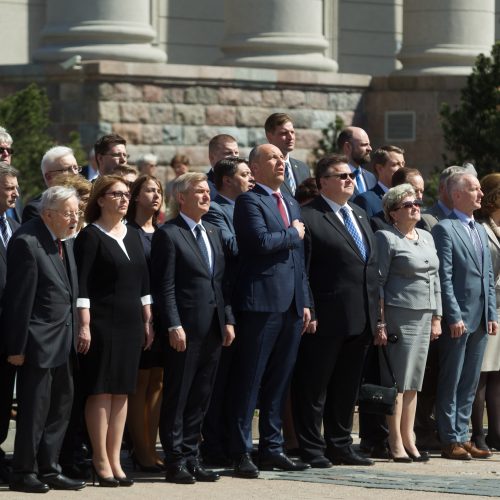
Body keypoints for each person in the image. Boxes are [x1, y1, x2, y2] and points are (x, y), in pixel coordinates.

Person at [229, 144, 311, 478]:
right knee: (250, 380)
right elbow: (259, 243)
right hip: (262, 303)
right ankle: (240, 450)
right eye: (272, 159)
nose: (280, 163)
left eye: (282, 158)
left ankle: (272, 448)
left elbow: (299, 261)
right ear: (255, 167)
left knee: (279, 380)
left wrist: (305, 301)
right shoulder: (249, 200)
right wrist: (292, 233)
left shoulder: (289, 200)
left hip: (291, 304)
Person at [293, 154, 378, 468]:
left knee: (346, 388)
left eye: (351, 176)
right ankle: (312, 448)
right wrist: (309, 307)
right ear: (321, 182)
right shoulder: (308, 216)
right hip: (325, 317)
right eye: (341, 176)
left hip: (361, 316)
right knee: (314, 387)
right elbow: (302, 269)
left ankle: (340, 444)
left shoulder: (357, 213)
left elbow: (368, 265)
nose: (349, 181)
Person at [151, 172, 235, 484]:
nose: (205, 196)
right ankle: (174, 460)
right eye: (198, 192)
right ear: (181, 198)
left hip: (213, 328)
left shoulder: (212, 232)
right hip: (184, 330)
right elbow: (166, 287)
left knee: (201, 395)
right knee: (179, 395)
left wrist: (228, 320)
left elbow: (220, 282)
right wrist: (173, 324)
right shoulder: (169, 234)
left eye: (207, 191)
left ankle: (191, 456)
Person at [1, 186, 85, 493]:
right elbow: (19, 300)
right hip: (37, 343)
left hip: (63, 340)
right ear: (48, 214)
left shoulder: (64, 241)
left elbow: (68, 293)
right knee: (34, 411)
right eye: (69, 213)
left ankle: (49, 468)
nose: (75, 218)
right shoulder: (27, 241)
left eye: (77, 212)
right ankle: (24, 471)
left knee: (60, 408)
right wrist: (17, 348)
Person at [74, 175, 153, 487]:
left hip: (132, 322)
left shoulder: (132, 234)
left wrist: (148, 319)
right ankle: (100, 459)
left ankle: (115, 457)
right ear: (101, 199)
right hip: (101, 323)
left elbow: (144, 283)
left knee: (122, 391)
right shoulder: (90, 236)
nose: (123, 199)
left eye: (126, 194)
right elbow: (82, 285)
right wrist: (84, 324)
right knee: (100, 389)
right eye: (116, 194)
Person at [432, 171, 497, 460]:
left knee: (470, 380)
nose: (481, 194)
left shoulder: (481, 229)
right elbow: (444, 277)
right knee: (452, 378)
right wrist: (453, 315)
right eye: (474, 189)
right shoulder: (445, 229)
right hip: (457, 320)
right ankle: (449, 438)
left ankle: (463, 435)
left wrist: (492, 313)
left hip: (481, 318)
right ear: (457, 194)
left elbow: (486, 277)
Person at [375, 184, 442, 462]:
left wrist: (437, 316)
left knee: (415, 381)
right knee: (399, 383)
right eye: (408, 204)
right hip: (399, 315)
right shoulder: (386, 237)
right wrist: (380, 322)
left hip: (425, 314)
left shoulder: (426, 236)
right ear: (393, 213)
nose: (415, 207)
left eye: (416, 203)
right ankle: (395, 441)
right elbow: (378, 282)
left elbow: (435, 279)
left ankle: (410, 436)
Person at [200, 157, 253, 465]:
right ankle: (214, 444)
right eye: (245, 174)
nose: (251, 179)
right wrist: (265, 238)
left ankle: (236, 442)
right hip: (227, 302)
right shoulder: (217, 209)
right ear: (228, 180)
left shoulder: (253, 204)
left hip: (250, 303)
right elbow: (233, 247)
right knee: (220, 381)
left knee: (240, 380)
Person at [125, 174, 165, 472]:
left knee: (158, 381)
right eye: (150, 190)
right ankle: (141, 451)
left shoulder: (163, 231)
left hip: (163, 316)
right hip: (138, 316)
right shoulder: (127, 232)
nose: (156, 195)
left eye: (159, 191)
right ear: (136, 196)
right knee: (139, 382)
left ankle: (151, 448)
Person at [471, 173, 500, 452]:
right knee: (481, 374)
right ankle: (477, 433)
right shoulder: (482, 228)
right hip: (488, 309)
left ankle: (496, 433)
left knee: (497, 374)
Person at [0, 163, 20, 482]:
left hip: (9, 328)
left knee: (3, 394)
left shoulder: (14, 225)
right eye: (8, 188)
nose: (15, 192)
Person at [22, 146, 81, 223]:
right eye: (68, 169)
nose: (75, 173)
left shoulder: (86, 199)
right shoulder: (36, 209)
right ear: (49, 177)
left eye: (76, 168)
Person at [264, 113, 310, 197]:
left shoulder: (303, 168)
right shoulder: (264, 168)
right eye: (284, 133)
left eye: (292, 132)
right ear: (269, 136)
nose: (290, 137)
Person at [353, 146, 405, 219]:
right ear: (379, 168)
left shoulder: (407, 198)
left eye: (403, 164)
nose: (402, 169)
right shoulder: (366, 200)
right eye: (395, 164)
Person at [337, 126, 376, 197]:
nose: (370, 148)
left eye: (369, 144)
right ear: (348, 147)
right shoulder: (335, 177)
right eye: (364, 144)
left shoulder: (370, 177)